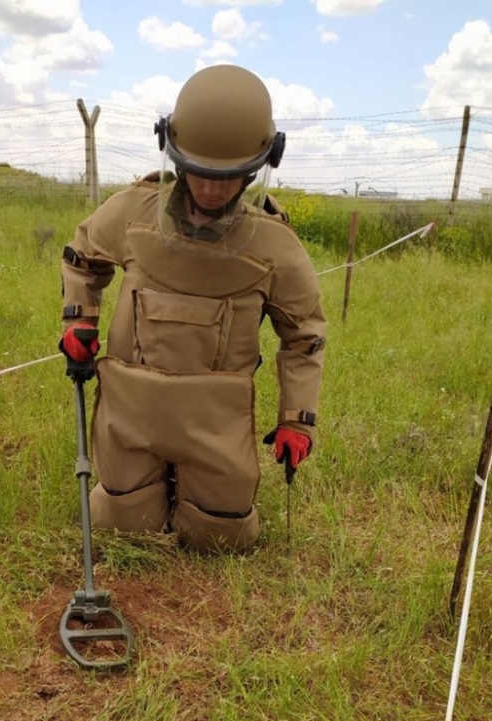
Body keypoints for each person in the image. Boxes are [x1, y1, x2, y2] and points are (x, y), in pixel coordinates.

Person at [59, 64, 326, 552]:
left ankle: (196, 494)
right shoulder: (133, 214)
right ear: (174, 153)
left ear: (258, 166)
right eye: (199, 172)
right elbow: (82, 257)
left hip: (215, 417)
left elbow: (305, 333)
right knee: (120, 523)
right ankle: (146, 487)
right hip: (132, 406)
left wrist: (296, 418)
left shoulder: (274, 246)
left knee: (222, 538)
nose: (210, 189)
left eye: (227, 177)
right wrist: (79, 320)